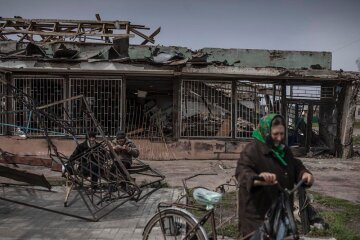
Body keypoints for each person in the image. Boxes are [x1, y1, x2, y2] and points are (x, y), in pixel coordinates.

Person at [235, 114, 314, 237]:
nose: (279, 138)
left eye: (282, 134)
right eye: (275, 134)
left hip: (280, 212)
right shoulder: (252, 150)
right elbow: (242, 172)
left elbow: (294, 165)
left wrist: (304, 173)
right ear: (266, 132)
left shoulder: (284, 150)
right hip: (257, 216)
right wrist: (259, 178)